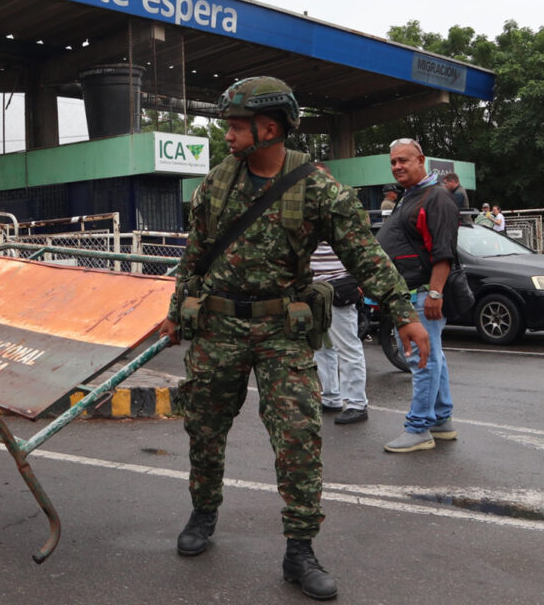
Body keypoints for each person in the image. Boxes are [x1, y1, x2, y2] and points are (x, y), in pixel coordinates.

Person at [157, 77, 428, 601]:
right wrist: (174, 313)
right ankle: (203, 513)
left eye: (237, 127)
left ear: (270, 128)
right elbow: (194, 255)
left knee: (300, 438)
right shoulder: (217, 182)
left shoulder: (318, 188)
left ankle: (299, 550)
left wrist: (402, 314)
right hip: (218, 328)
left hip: (282, 332)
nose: (229, 136)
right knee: (205, 429)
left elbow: (365, 256)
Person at [375, 138, 460, 453]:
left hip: (422, 294)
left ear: (421, 159)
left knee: (422, 360)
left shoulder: (436, 197)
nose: (397, 166)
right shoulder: (412, 196)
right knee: (433, 357)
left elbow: (444, 252)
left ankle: (419, 428)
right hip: (413, 293)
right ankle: (441, 420)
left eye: (403, 160)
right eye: (393, 162)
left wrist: (435, 293)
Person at [311, 241, 369, 424]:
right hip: (314, 288)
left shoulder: (339, 216)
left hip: (337, 285)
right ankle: (330, 397)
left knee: (346, 347)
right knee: (320, 346)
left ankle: (356, 403)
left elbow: (359, 247)